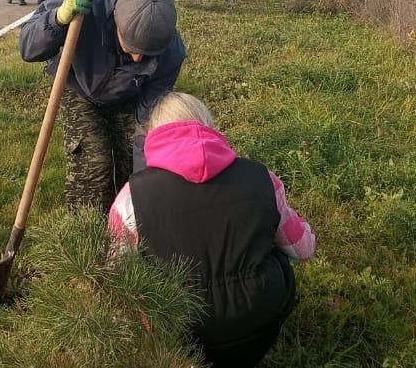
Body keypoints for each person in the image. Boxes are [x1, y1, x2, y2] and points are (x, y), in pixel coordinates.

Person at [108, 92, 315, 368]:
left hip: (178, 333)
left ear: (152, 136)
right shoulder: (262, 178)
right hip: (258, 321)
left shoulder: (130, 197)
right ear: (209, 127)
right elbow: (302, 250)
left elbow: (113, 276)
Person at [19, 0, 185, 213]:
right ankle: (86, 231)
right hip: (78, 85)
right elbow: (27, 48)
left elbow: (147, 122)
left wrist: (142, 187)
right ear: (116, 21)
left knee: (134, 162)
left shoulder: (171, 53)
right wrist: (58, 20)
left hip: (129, 94)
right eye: (131, 47)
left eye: (146, 54)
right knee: (94, 164)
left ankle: (126, 222)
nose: (137, 59)